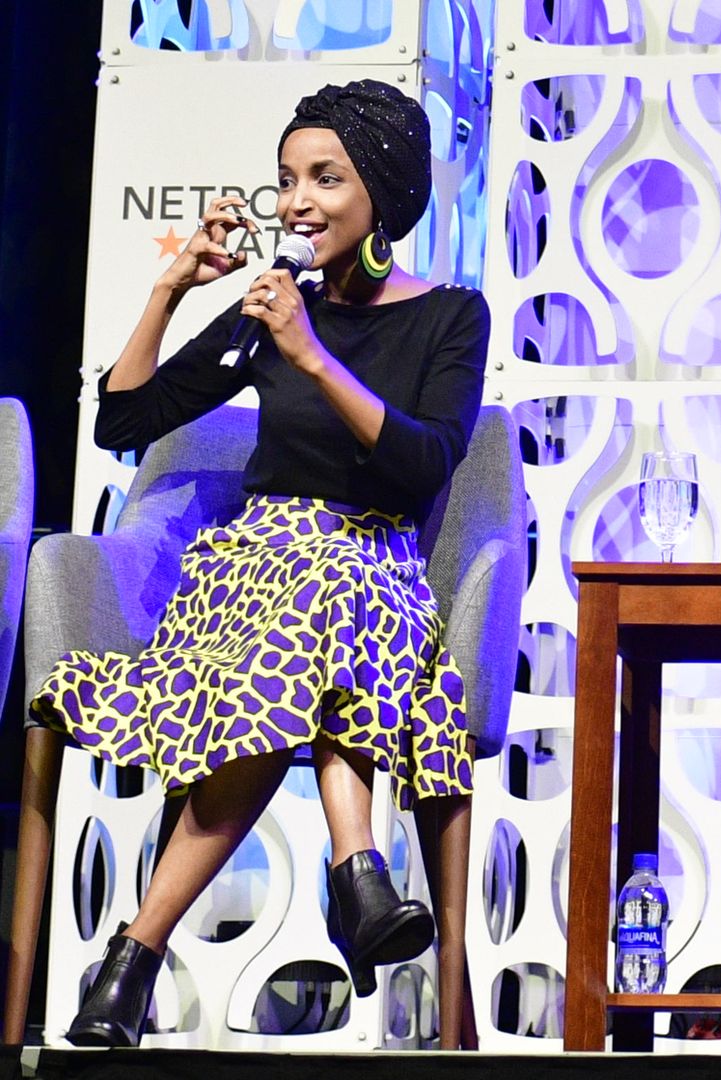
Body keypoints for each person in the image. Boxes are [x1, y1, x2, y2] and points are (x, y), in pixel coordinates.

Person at [29, 80, 488, 1047]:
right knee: (309, 620)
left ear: (385, 192)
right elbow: (125, 419)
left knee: (330, 603)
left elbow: (420, 464)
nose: (296, 203)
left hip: (375, 558)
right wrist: (171, 288)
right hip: (253, 575)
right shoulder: (266, 312)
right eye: (287, 180)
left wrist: (313, 354)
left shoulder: (449, 316)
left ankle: (132, 958)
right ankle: (357, 874)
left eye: (325, 177)